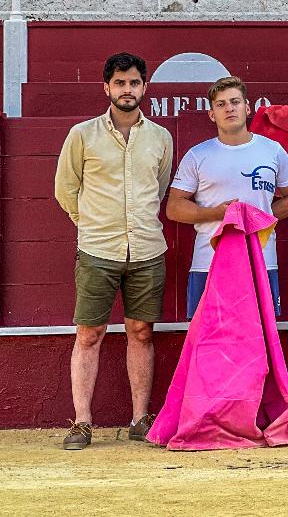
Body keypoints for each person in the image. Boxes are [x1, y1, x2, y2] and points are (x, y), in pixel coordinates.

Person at [54, 53, 174, 450]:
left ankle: (139, 418)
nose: (127, 89)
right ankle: (81, 422)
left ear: (144, 87)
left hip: (146, 249)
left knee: (141, 331)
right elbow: (65, 190)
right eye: (120, 83)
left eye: (134, 82)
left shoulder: (160, 137)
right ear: (106, 87)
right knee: (89, 333)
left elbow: (158, 189)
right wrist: (90, 223)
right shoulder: (82, 134)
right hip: (97, 249)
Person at [167, 76, 288, 320]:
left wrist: (255, 218)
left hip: (260, 260)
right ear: (212, 114)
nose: (229, 108)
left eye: (235, 102)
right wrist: (218, 214)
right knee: (209, 336)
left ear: (247, 108)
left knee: (259, 333)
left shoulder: (272, 150)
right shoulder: (197, 155)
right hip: (209, 262)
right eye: (221, 104)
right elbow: (174, 208)